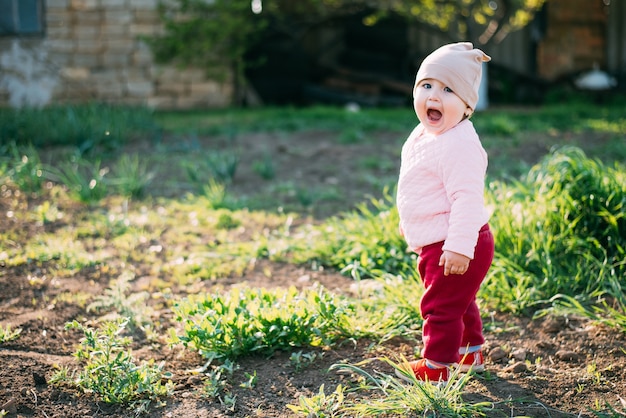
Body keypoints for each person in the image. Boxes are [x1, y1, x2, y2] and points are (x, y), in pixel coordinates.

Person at [396, 42, 495, 383]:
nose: (434, 96)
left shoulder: (459, 144)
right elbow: (417, 187)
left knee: (440, 307)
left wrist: (458, 246)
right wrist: (409, 224)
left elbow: (467, 199)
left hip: (456, 240)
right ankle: (471, 353)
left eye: (448, 89)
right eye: (427, 86)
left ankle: (437, 366)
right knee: (460, 301)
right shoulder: (424, 134)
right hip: (436, 240)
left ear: (467, 107)